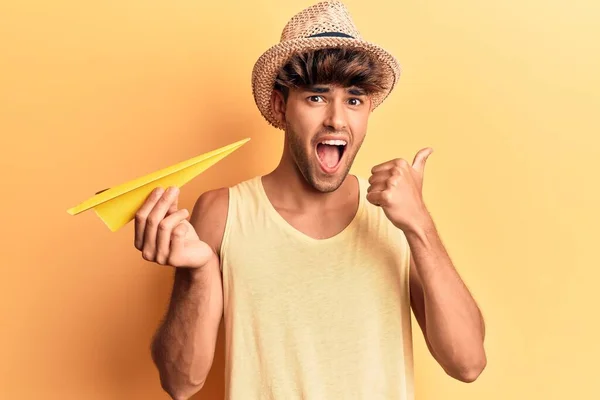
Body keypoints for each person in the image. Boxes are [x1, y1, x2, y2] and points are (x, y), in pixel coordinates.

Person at [140, 1, 486, 399]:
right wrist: (197, 273)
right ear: (279, 105)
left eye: (354, 100)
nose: (337, 119)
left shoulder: (397, 216)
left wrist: (420, 225)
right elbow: (180, 384)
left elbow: (468, 363)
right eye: (316, 98)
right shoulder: (223, 212)